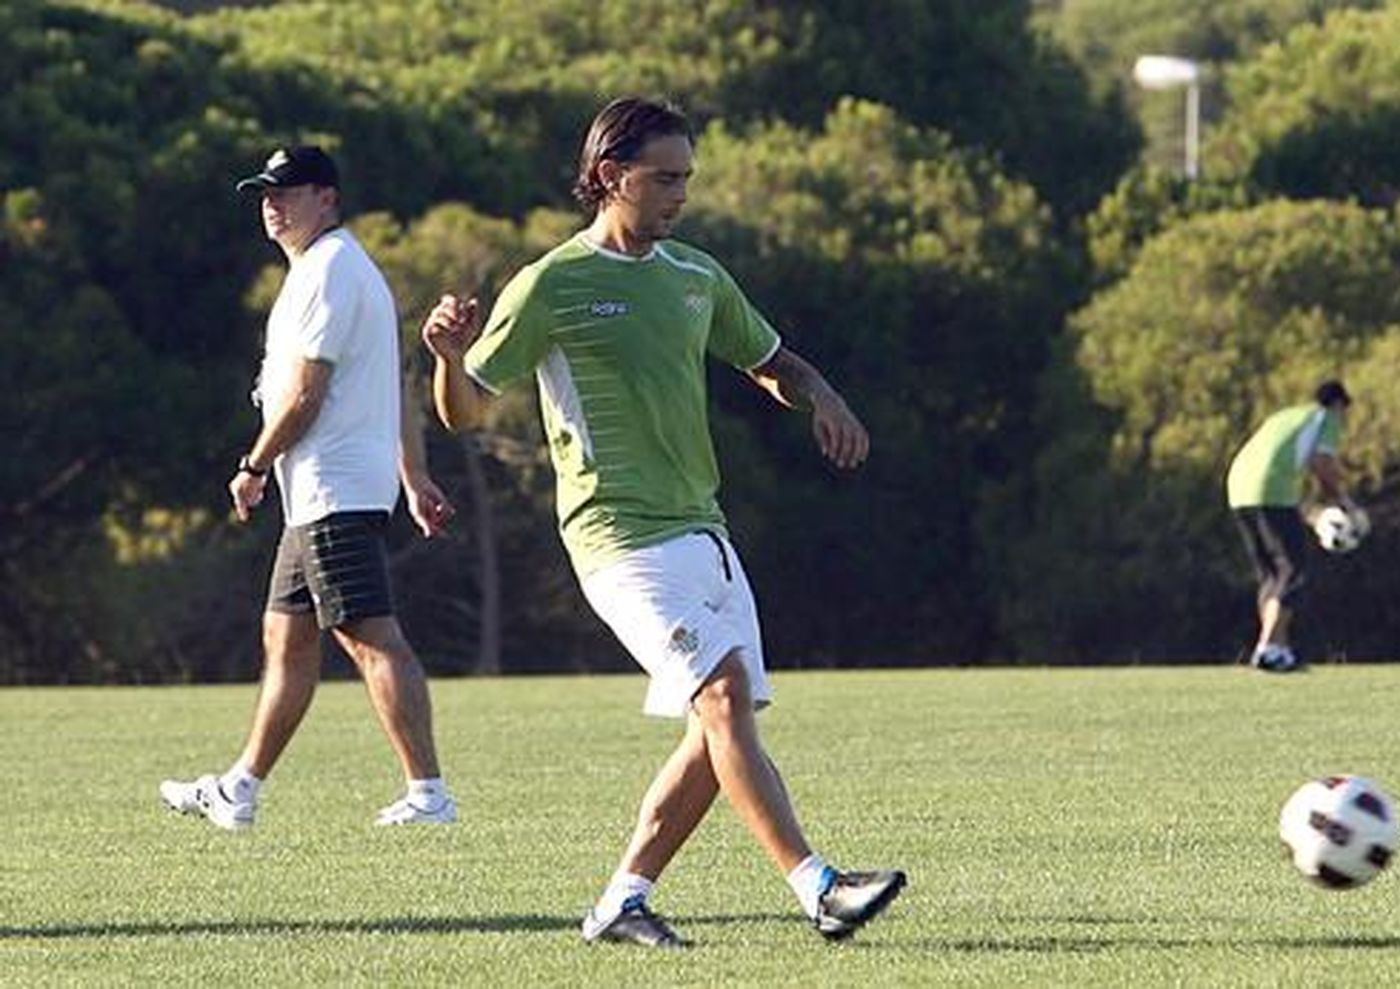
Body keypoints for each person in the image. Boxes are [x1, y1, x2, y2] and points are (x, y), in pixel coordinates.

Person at [423, 98, 905, 947]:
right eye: (665, 178)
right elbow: (465, 412)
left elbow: (770, 360)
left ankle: (620, 901)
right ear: (611, 177)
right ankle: (819, 887)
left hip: (704, 535)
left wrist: (822, 395)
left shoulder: (695, 275)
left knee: (718, 733)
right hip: (618, 538)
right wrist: (446, 359)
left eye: (687, 177)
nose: (681, 194)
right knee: (720, 698)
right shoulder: (552, 283)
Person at [160, 146, 459, 829]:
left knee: (369, 635)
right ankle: (240, 788)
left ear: (327, 198)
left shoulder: (330, 270)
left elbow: (305, 398)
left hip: (331, 487)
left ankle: (428, 793)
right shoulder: (333, 268)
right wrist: (414, 477)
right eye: (267, 192)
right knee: (285, 636)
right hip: (327, 491)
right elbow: (398, 389)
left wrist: (253, 464)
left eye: (289, 191)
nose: (274, 203)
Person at [1225, 379, 1358, 673]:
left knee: (1272, 574)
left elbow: (1285, 474)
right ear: (1337, 404)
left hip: (1238, 488)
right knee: (1294, 570)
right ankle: (1267, 647)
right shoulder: (1326, 417)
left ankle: (1279, 651)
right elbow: (1323, 464)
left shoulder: (1286, 417)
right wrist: (1346, 503)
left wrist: (1316, 516)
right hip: (1270, 489)